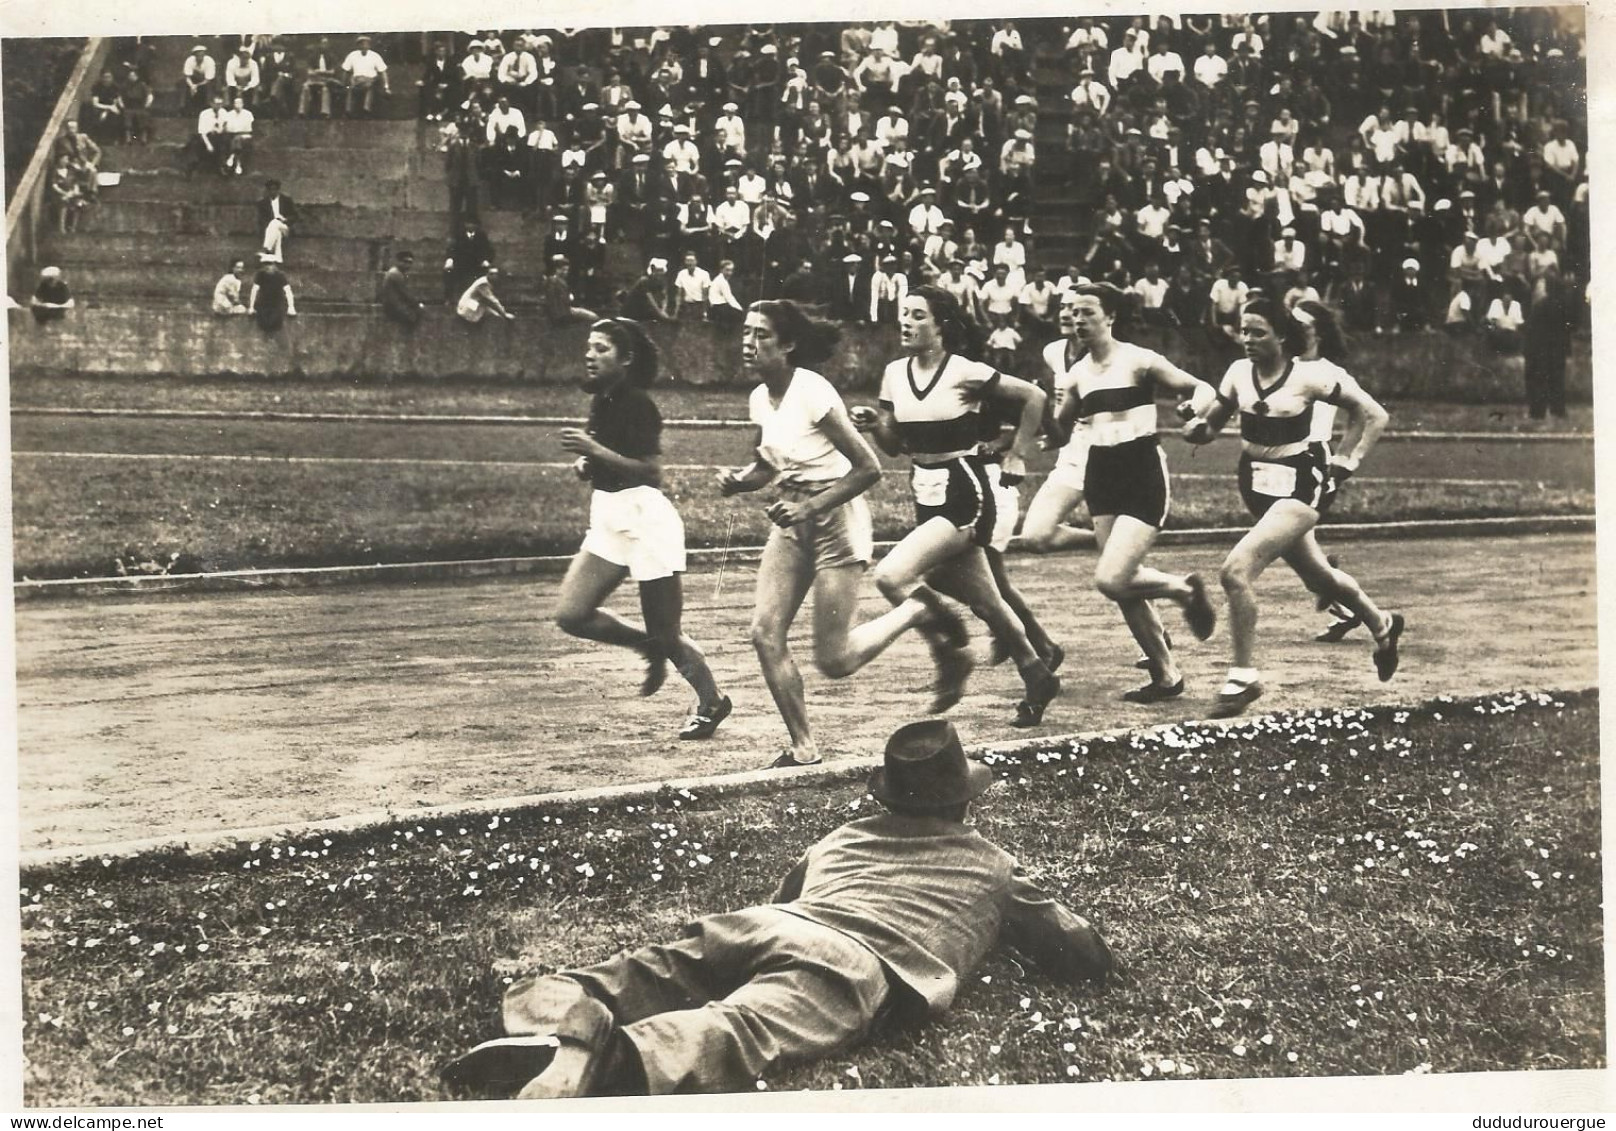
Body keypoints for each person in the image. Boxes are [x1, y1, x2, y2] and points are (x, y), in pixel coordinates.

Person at [440, 717, 1115, 1099]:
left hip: (771, 921)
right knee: (743, 1027)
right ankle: (612, 1058)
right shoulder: (994, 866)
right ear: (964, 800)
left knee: (645, 971)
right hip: (858, 961)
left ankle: (553, 1005)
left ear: (890, 797)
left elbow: (791, 897)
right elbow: (1077, 951)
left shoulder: (842, 838)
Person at [719, 301, 956, 768]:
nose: (748, 344)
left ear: (787, 345)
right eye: (745, 333)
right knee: (765, 634)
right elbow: (769, 463)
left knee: (836, 659)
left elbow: (868, 469)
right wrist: (740, 480)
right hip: (793, 522)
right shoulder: (758, 399)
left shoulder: (813, 391)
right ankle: (803, 748)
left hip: (836, 522)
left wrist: (808, 506)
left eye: (761, 335)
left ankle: (915, 609)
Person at [1181, 297, 1404, 717]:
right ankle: (1382, 625)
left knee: (1236, 570)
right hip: (1257, 483)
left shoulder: (1311, 378)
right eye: (1243, 331)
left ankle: (1243, 677)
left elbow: (1372, 414)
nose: (1247, 339)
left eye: (1258, 332)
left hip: (1303, 483)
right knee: (1319, 576)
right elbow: (1210, 425)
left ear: (1282, 337)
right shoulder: (1236, 374)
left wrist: (1345, 462)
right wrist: (1195, 428)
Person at [849, 286, 1060, 727]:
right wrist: (875, 426)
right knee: (987, 601)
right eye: (903, 314)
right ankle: (1035, 670)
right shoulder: (893, 373)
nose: (905, 322)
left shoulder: (963, 371)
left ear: (941, 325)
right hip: (924, 492)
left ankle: (950, 649)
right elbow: (895, 447)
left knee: (891, 576)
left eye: (917, 315)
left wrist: (1017, 453)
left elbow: (1035, 397)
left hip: (964, 492)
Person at [554, 318, 730, 741]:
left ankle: (711, 702)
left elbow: (651, 472)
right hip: (609, 517)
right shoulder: (603, 400)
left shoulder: (638, 403)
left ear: (626, 359)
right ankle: (643, 645)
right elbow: (614, 458)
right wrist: (588, 464)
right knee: (572, 614)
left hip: (647, 521)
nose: (590, 355)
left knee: (667, 633)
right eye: (589, 347)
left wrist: (593, 450)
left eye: (601, 349)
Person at [1051, 282, 1218, 704]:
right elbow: (1056, 431)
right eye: (1074, 313)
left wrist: (1192, 409)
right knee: (1122, 585)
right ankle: (1166, 674)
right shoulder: (1076, 375)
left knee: (1113, 578)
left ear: (1111, 317)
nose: (1079, 320)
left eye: (1088, 312)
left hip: (1142, 470)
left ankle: (1184, 589)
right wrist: (1044, 410)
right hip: (1101, 474)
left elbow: (1203, 388)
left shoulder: (1140, 360)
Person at [342, 35, 390, 117]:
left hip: (371, 80)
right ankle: (348, 111)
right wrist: (344, 84)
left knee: (369, 87)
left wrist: (386, 87)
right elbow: (346, 70)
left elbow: (383, 72)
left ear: (369, 45)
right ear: (358, 45)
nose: (364, 46)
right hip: (357, 80)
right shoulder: (352, 55)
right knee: (351, 88)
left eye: (366, 44)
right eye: (361, 44)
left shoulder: (375, 56)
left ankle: (366, 110)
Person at [247, 255, 296, 332]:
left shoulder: (280, 275)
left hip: (276, 305)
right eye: (265, 264)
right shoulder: (260, 275)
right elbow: (254, 290)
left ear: (274, 265)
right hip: (263, 304)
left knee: (275, 322)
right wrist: (251, 307)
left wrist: (291, 307)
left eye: (270, 264)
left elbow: (288, 291)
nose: (267, 267)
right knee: (263, 322)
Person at [256, 179, 297, 265]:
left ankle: (266, 248)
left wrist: (285, 220)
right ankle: (278, 259)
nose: (273, 192)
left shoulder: (286, 200)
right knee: (275, 229)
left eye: (275, 189)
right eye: (270, 190)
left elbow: (295, 216)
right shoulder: (263, 203)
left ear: (278, 190)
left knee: (275, 223)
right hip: (271, 231)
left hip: (285, 228)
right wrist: (269, 225)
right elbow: (261, 220)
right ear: (268, 191)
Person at [380, 251, 423, 328]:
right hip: (392, 305)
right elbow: (405, 293)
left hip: (395, 303)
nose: (408, 265)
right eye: (405, 262)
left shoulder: (399, 273)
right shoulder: (395, 274)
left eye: (410, 263)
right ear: (398, 262)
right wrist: (417, 304)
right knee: (415, 315)